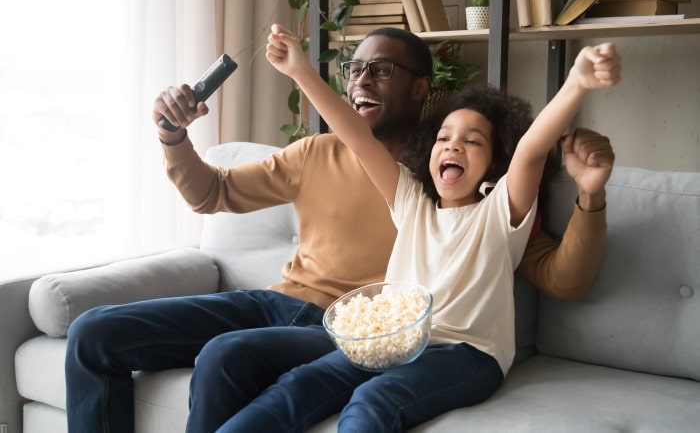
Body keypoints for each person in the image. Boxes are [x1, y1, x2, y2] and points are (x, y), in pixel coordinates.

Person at [64, 25, 616, 433]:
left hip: (409, 341)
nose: (361, 80)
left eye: (472, 142)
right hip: (326, 321)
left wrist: (577, 93)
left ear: (421, 88)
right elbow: (339, 140)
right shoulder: (394, 190)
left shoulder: (492, 211)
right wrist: (293, 73)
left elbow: (531, 156)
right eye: (354, 69)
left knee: (310, 385)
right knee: (100, 335)